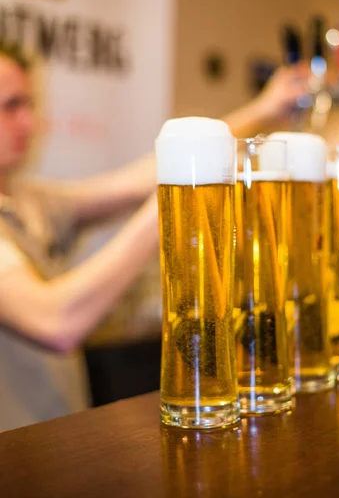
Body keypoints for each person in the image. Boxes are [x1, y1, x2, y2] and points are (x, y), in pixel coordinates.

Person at [0, 50, 310, 431]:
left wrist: (264, 109)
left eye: (29, 104)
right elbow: (55, 321)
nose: (29, 123)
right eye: (10, 106)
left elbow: (137, 177)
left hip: (55, 440)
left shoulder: (30, 200)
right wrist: (176, 200)